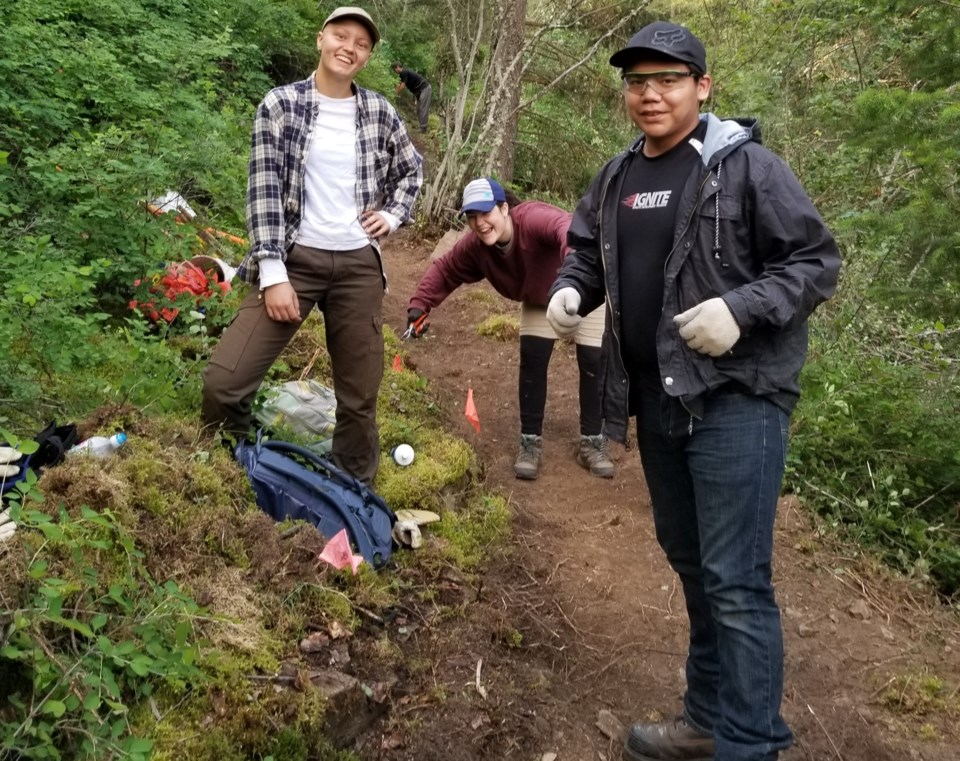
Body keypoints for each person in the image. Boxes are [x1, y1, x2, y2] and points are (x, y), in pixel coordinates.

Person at [546, 21, 840, 761]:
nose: (650, 94)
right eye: (637, 81)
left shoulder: (749, 170)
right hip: (656, 397)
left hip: (738, 396)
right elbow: (585, 247)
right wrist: (570, 290)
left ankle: (748, 745)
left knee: (736, 580)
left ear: (702, 87)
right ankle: (707, 719)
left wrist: (741, 309)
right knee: (693, 563)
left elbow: (815, 262)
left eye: (668, 79)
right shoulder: (616, 175)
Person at [202, 7, 423, 486]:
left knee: (359, 400)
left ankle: (350, 494)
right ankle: (227, 472)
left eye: (361, 44)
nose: (350, 47)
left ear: (367, 56)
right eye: (341, 36)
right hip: (294, 258)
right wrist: (273, 271)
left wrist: (391, 215)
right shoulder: (280, 105)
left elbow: (411, 170)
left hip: (358, 266)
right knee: (225, 383)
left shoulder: (379, 111)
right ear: (321, 40)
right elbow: (262, 190)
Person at [407, 177, 614, 481]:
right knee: (532, 359)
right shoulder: (476, 247)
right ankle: (530, 443)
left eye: (485, 213)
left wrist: (574, 268)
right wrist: (419, 305)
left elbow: (565, 228)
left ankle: (592, 443)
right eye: (472, 217)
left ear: (504, 208)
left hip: (583, 289)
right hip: (539, 298)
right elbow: (446, 269)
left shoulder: (531, 219)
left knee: (593, 362)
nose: (479, 224)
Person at [392, 62, 432, 133]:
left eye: (394, 69)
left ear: (398, 67)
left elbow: (402, 86)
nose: (394, 71)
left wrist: (395, 94)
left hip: (425, 88)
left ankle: (423, 128)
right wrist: (393, 92)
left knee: (422, 108)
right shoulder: (403, 75)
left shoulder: (404, 72)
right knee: (418, 109)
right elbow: (399, 85)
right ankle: (421, 127)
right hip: (420, 92)